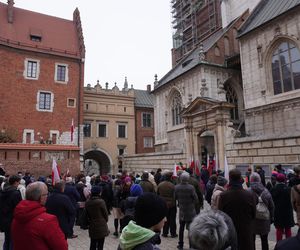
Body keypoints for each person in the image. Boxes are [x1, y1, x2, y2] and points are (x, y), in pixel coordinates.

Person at [11, 181, 68, 250]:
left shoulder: (17, 216)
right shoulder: (48, 220)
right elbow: (62, 247)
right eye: (47, 194)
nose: (47, 196)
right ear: (41, 197)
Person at [218, 169, 257, 250]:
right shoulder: (250, 195)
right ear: (240, 178)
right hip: (246, 231)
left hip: (230, 232)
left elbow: (220, 215)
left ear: (229, 178)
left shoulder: (223, 195)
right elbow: (254, 214)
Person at [248, 173, 274, 250]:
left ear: (250, 180)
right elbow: (272, 206)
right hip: (264, 220)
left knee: (251, 241)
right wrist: (271, 217)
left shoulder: (247, 192)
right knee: (264, 241)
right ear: (259, 180)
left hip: (251, 220)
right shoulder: (266, 191)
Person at [175, 172, 199, 250]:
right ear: (187, 179)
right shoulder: (191, 187)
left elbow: (174, 197)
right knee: (190, 228)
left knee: (181, 228)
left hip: (182, 210)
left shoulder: (177, 187)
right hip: (190, 210)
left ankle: (180, 244)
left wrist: (180, 202)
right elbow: (196, 199)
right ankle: (191, 245)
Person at [0, 175, 22, 250]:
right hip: (12, 219)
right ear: (15, 182)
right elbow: (19, 207)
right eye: (19, 182)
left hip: (4, 219)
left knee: (7, 239)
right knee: (12, 240)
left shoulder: (3, 192)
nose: (19, 184)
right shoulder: (15, 193)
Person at [271, 173, 294, 241]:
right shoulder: (289, 189)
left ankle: (279, 244)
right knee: (288, 229)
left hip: (278, 211)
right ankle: (289, 244)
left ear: (277, 180)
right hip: (288, 211)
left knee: (279, 229)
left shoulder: (274, 189)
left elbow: (271, 201)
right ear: (284, 180)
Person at [85, 185, 109, 250]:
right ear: (99, 193)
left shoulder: (88, 202)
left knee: (93, 243)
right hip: (101, 224)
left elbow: (86, 214)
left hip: (92, 224)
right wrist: (105, 220)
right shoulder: (101, 202)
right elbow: (105, 214)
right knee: (100, 245)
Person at [157, 171, 177, 238]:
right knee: (172, 219)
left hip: (163, 204)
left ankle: (165, 233)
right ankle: (173, 233)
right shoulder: (172, 186)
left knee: (165, 219)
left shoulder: (160, 185)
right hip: (172, 205)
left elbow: (157, 194)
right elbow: (175, 196)